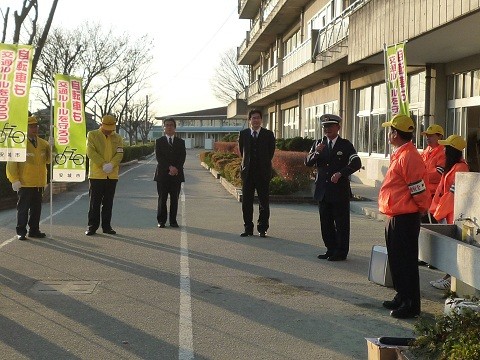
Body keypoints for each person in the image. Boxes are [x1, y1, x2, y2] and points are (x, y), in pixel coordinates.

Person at [379, 114, 431, 319]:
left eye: (390, 131)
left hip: (405, 216)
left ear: (395, 134)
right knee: (396, 259)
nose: (389, 134)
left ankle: (411, 304)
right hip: (396, 215)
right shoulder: (401, 154)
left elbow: (418, 188)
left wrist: (420, 208)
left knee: (406, 261)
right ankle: (402, 295)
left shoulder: (409, 157)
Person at [304, 114, 362, 261]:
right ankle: (330, 249)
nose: (327, 129)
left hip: (339, 191)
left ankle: (341, 252)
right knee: (326, 223)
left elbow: (356, 163)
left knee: (341, 224)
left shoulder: (345, 145)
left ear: (338, 127)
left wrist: (341, 173)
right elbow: (308, 162)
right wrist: (317, 152)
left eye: (330, 126)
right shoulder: (318, 144)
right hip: (323, 191)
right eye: (325, 127)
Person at [428, 134, 469, 290]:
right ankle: (447, 277)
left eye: (446, 148)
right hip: (446, 213)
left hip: (452, 215)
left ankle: (449, 279)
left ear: (452, 151)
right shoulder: (452, 167)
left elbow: (451, 196)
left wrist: (438, 213)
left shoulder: (461, 168)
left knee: (453, 249)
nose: (443, 150)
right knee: (449, 249)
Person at [6, 116, 51, 240]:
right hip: (24, 182)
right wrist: (14, 179)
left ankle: (34, 230)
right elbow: (12, 162)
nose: (34, 128)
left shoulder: (43, 143)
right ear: (25, 128)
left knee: (36, 209)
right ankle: (21, 231)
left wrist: (51, 148)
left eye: (35, 126)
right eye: (31, 126)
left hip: (38, 182)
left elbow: (48, 160)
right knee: (23, 209)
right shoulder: (19, 142)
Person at [238, 109, 275, 238]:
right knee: (246, 202)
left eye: (258, 118)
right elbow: (242, 152)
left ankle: (262, 228)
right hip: (248, 173)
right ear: (249, 120)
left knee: (264, 202)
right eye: (253, 118)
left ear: (261, 120)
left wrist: (263, 165)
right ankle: (248, 228)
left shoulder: (268, 134)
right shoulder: (243, 134)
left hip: (263, 173)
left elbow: (271, 152)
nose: (256, 120)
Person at [85, 114, 124, 236]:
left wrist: (112, 164)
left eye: (111, 127)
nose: (108, 130)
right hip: (96, 175)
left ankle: (107, 226)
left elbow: (120, 153)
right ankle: (92, 226)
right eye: (106, 127)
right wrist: (102, 164)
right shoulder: (92, 135)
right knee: (94, 203)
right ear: (101, 124)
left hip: (112, 175)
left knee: (108, 202)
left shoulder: (118, 138)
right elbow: (90, 151)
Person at [154, 118, 186, 228]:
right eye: (167, 125)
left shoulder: (181, 142)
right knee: (162, 198)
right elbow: (159, 158)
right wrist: (169, 167)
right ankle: (161, 221)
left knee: (174, 199)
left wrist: (176, 168)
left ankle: (173, 221)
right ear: (163, 128)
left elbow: (182, 157)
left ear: (175, 128)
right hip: (162, 175)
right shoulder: (159, 141)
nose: (169, 127)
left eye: (171, 125)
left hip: (176, 175)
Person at [420, 124, 446, 223]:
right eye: (427, 135)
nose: (427, 138)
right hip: (424, 195)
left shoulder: (443, 153)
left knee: (432, 226)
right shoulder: (426, 151)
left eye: (431, 135)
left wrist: (421, 176)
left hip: (435, 197)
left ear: (440, 136)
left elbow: (438, 174)